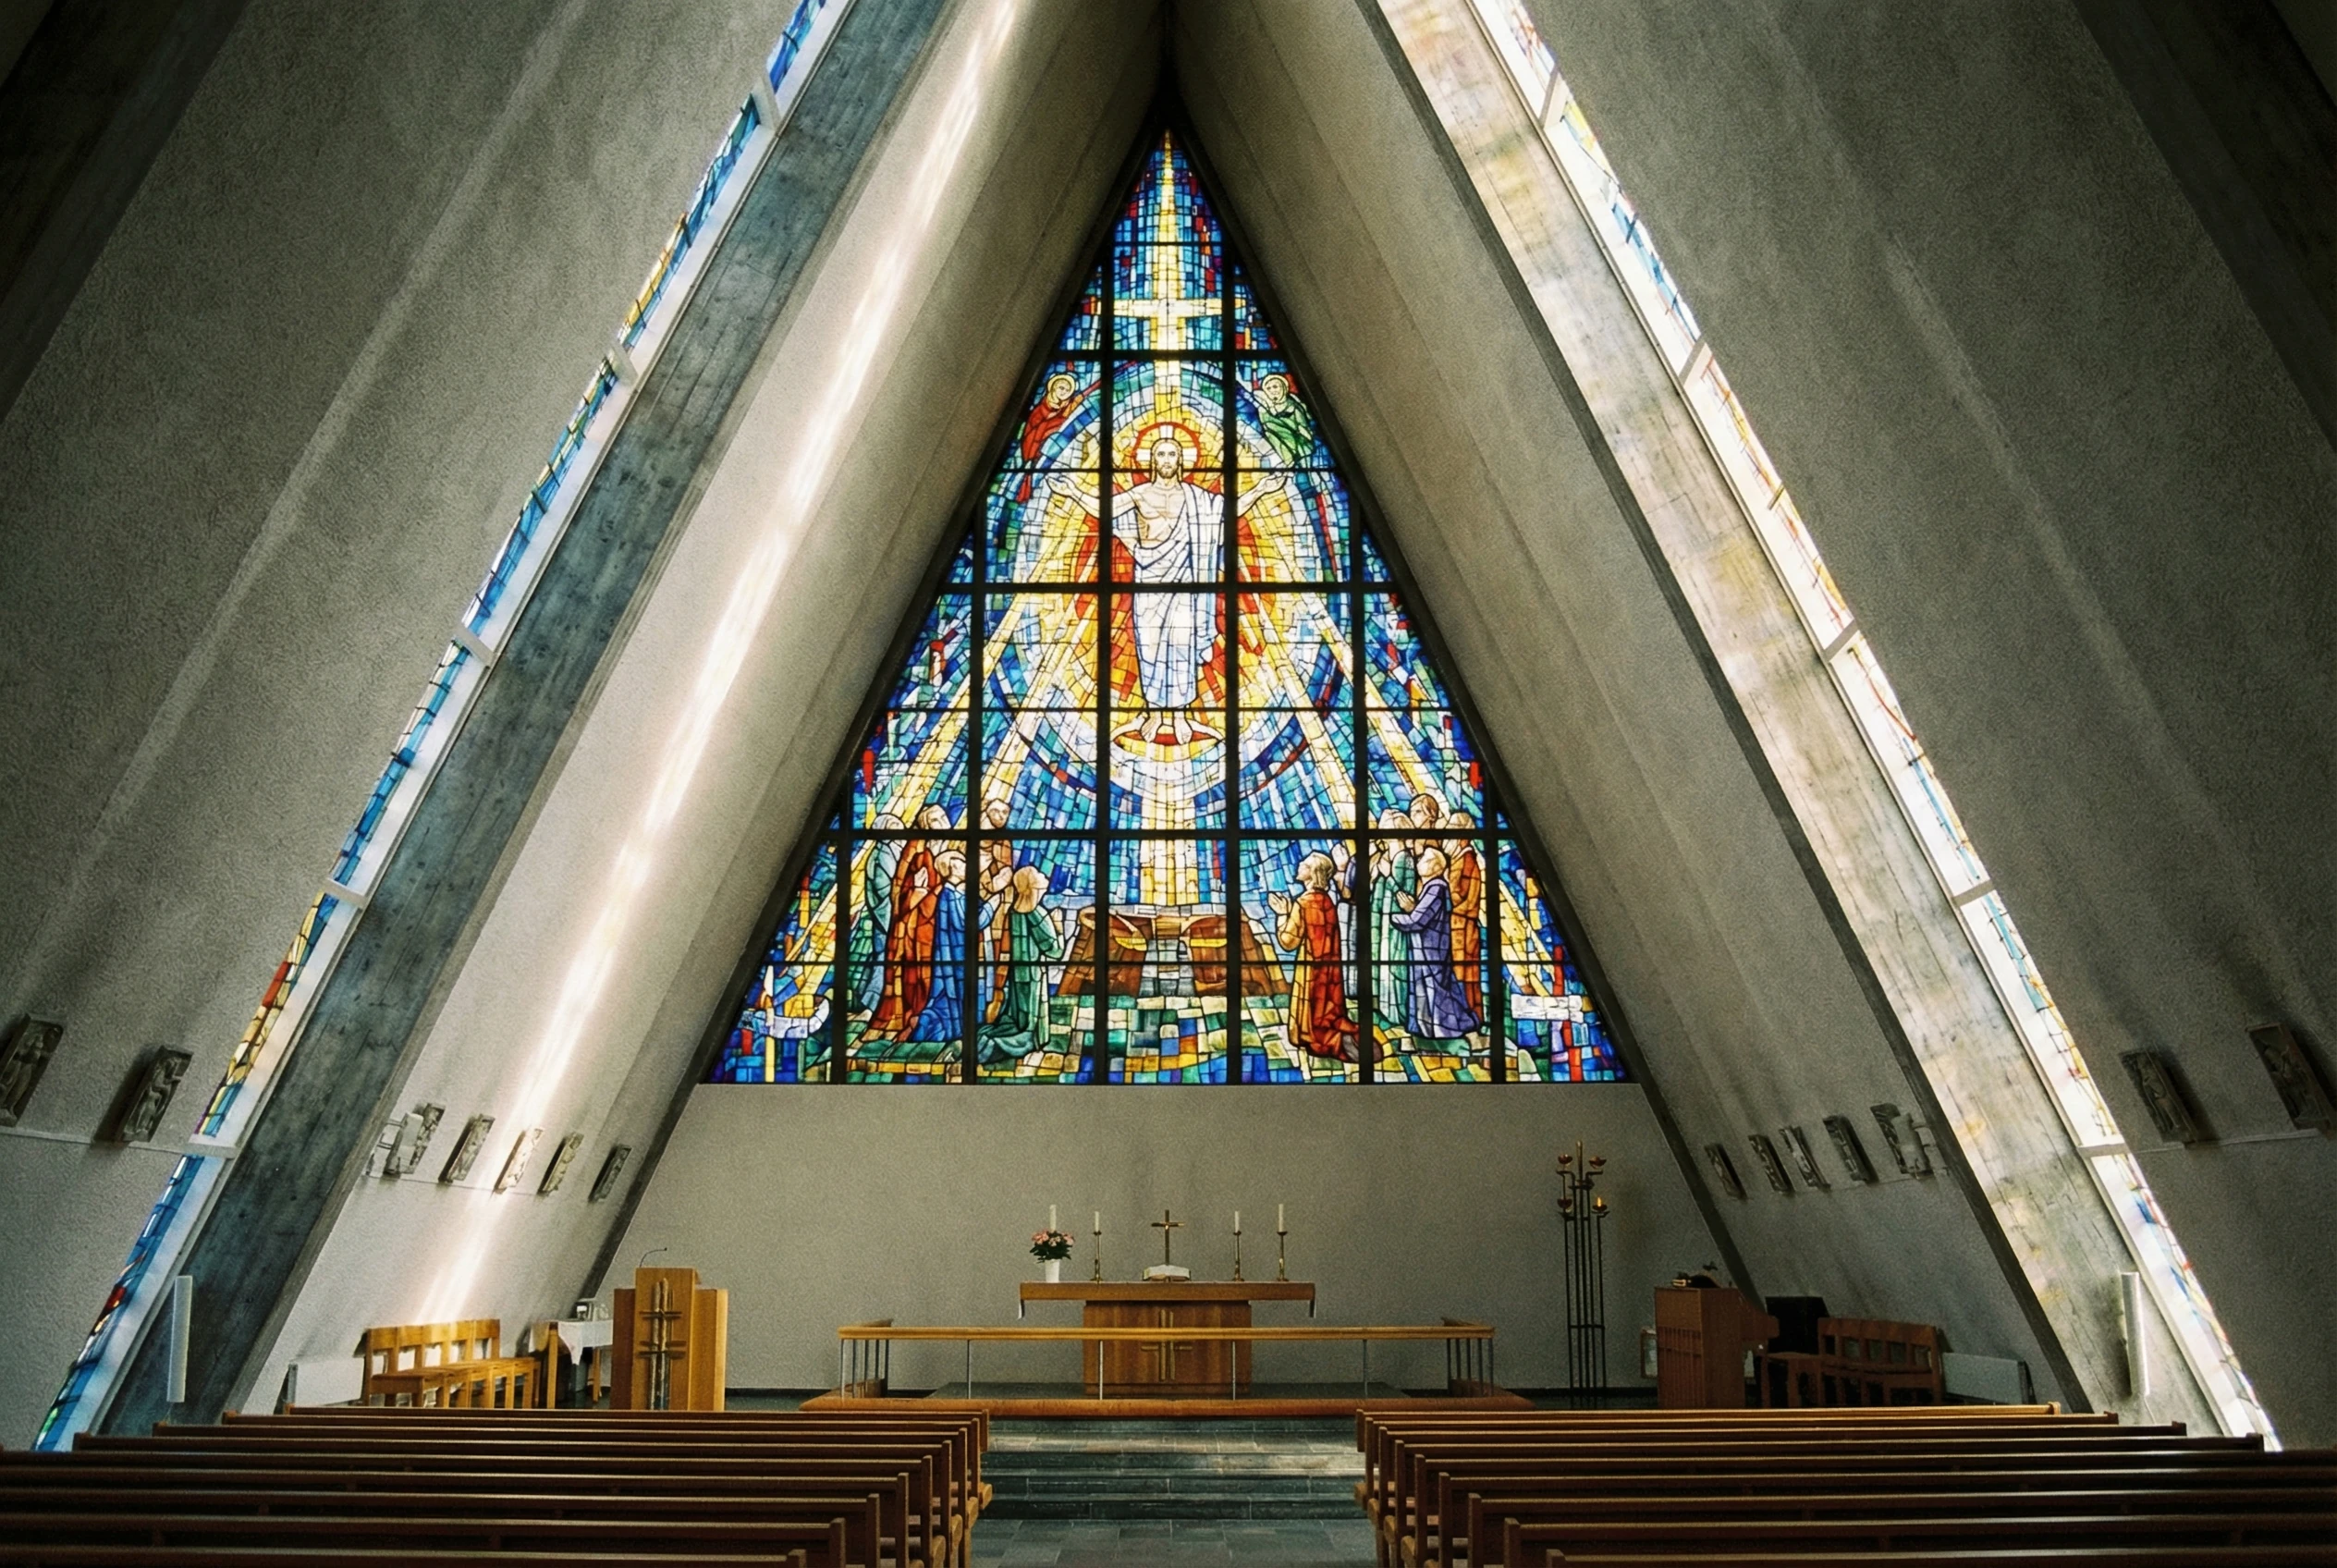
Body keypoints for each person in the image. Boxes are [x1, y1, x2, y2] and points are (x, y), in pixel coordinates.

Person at [1051, 435, 1281, 743]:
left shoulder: (1197, 498)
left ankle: (1182, 716)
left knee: (1181, 645)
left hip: (1185, 583)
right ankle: (1154, 714)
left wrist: (1261, 490)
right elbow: (1102, 509)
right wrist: (1073, 491)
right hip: (1148, 580)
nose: (1167, 460)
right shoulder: (1140, 494)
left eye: (1173, 454)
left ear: (1181, 461)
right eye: (1161, 454)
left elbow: (1229, 511)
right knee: (1149, 647)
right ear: (1153, 461)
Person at [865, 804, 951, 1037]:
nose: (943, 822)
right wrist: (915, 895)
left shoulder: (954, 844)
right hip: (915, 924)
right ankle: (910, 1019)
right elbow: (899, 888)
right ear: (925, 824)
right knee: (914, 973)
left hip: (945, 923)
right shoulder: (915, 847)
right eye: (935, 819)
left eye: (943, 816)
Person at [1266, 852, 1358, 1062]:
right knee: (1324, 1006)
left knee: (1311, 1005)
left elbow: (1288, 941)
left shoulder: (1304, 902)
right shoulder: (1327, 901)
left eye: (1305, 864)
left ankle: (1322, 1037)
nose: (1299, 864)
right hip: (1328, 969)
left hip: (1310, 967)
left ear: (1313, 873)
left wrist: (1282, 914)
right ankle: (1329, 1031)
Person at [1391, 849, 1483, 1040]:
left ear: (1434, 867)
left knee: (1437, 991)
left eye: (1424, 858)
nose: (1419, 859)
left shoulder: (1436, 888)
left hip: (1431, 951)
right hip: (1427, 949)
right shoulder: (1432, 887)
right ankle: (1428, 1028)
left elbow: (1417, 921)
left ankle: (1448, 1030)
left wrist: (1395, 917)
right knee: (1431, 989)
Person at [979, 865, 1062, 1065]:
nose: (1044, 876)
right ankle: (1002, 1046)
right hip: (1033, 973)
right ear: (1033, 886)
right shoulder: (1038, 914)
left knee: (1018, 1015)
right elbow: (1055, 950)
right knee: (1031, 1024)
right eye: (1039, 876)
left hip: (1018, 973)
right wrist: (1058, 926)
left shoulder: (1015, 911)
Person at [906, 851, 969, 1043]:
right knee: (947, 1001)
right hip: (952, 957)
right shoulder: (950, 894)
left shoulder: (955, 893)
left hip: (958, 955)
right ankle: (930, 1032)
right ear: (952, 869)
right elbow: (962, 923)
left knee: (953, 999)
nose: (966, 867)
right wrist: (991, 906)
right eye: (962, 863)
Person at [1364, 811, 1417, 1030]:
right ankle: (1385, 1007)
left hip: (1397, 923)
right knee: (1384, 962)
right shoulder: (1389, 858)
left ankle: (1398, 1012)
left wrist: (1387, 875)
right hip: (1383, 920)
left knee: (1396, 964)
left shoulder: (1404, 859)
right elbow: (1378, 892)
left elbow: (1404, 895)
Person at [850, 814, 905, 1014]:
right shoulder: (882, 853)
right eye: (892, 825)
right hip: (888, 918)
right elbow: (884, 889)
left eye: (898, 824)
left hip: (895, 915)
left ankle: (876, 1004)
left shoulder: (895, 849)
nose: (899, 827)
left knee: (886, 959)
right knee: (885, 958)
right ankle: (871, 1005)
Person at [1445, 812, 1483, 998]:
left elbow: (1458, 896)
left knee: (1463, 974)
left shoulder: (1467, 860)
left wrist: (1443, 882)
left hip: (1463, 927)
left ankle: (1468, 1018)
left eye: (1451, 831)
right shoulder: (1459, 859)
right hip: (1458, 926)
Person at [1254, 372, 1316, 467]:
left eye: (1275, 387)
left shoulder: (1293, 405)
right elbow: (1267, 427)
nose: (1272, 390)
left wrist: (1303, 432)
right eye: (1268, 388)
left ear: (1284, 387)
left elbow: (1302, 424)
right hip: (1280, 446)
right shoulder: (1264, 410)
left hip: (1299, 442)